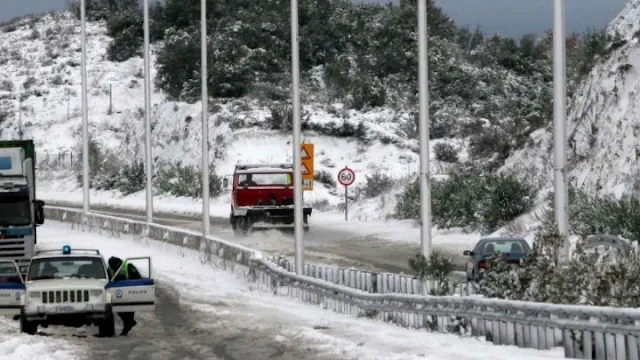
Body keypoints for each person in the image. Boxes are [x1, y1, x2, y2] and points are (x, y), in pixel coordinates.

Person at [107, 256, 141, 336]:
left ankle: (125, 330)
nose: (113, 269)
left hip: (130, 292)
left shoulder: (128, 266)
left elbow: (138, 279)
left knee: (129, 311)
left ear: (118, 264)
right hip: (118, 293)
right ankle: (129, 323)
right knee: (119, 310)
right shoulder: (110, 269)